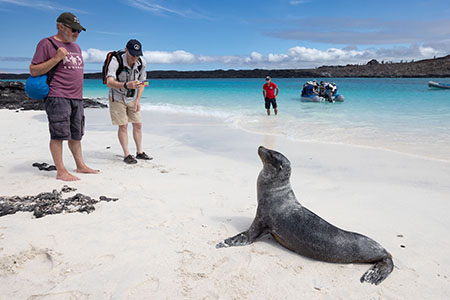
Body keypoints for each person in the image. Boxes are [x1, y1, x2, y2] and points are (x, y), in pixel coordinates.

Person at [29, 12, 99, 181]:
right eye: (74, 30)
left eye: (79, 31)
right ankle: (61, 171)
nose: (76, 34)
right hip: (57, 95)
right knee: (59, 134)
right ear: (61, 26)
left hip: (77, 97)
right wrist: (56, 58)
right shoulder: (47, 44)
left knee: (76, 134)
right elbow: (33, 70)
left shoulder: (77, 47)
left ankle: (80, 166)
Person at [106, 39, 152, 164]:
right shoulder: (116, 61)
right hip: (117, 97)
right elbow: (109, 82)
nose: (135, 58)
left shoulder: (142, 63)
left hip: (132, 98)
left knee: (138, 124)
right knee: (123, 125)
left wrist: (138, 100)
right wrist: (126, 85)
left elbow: (144, 83)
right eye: (132, 54)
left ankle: (140, 152)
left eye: (138, 55)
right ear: (126, 50)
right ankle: (127, 154)